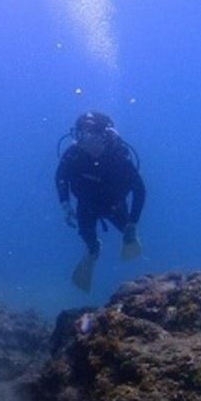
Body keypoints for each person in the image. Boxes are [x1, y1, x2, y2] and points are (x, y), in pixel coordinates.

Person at [55, 111, 146, 292]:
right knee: (90, 243)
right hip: (86, 206)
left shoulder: (118, 157)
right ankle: (93, 250)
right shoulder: (73, 155)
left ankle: (131, 245)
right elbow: (60, 178)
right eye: (79, 134)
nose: (83, 140)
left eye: (90, 134)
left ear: (103, 136)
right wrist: (65, 204)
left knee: (127, 236)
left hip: (115, 205)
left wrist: (133, 223)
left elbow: (140, 190)